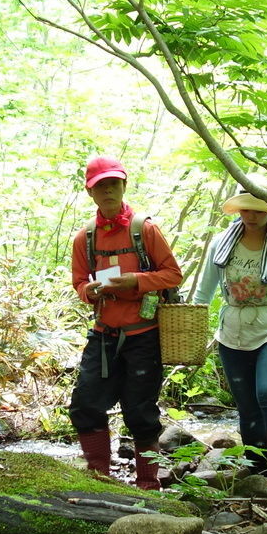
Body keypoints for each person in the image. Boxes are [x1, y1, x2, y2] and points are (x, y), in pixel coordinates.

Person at [68, 156, 185, 489]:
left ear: (124, 186)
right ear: (90, 193)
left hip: (143, 335)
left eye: (113, 184)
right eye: (100, 186)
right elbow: (79, 283)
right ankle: (98, 478)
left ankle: (148, 484)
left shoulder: (143, 229)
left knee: (140, 412)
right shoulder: (85, 238)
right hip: (103, 335)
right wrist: (89, 290)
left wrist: (135, 280)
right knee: (86, 405)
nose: (108, 191)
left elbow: (172, 274)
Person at [194, 191, 267, 480]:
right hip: (233, 331)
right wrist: (194, 329)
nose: (252, 216)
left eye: (259, 211)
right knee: (247, 404)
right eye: (246, 210)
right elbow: (204, 291)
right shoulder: (221, 245)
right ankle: (256, 467)